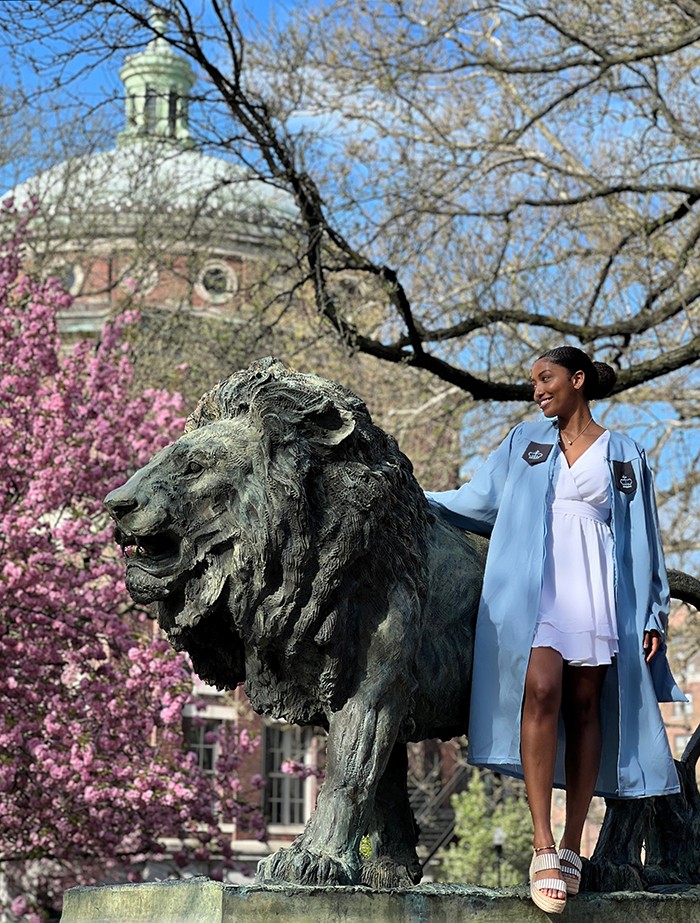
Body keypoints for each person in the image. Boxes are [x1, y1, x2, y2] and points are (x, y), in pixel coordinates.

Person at [425, 346, 685, 914]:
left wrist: (651, 612)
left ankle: (572, 847)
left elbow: (645, 538)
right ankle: (543, 843)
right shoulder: (525, 443)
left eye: (546, 379)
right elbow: (478, 501)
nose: (537, 390)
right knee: (540, 688)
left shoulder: (625, 453)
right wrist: (415, 497)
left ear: (578, 379)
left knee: (587, 704)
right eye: (532, 382)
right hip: (534, 588)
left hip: (598, 587)